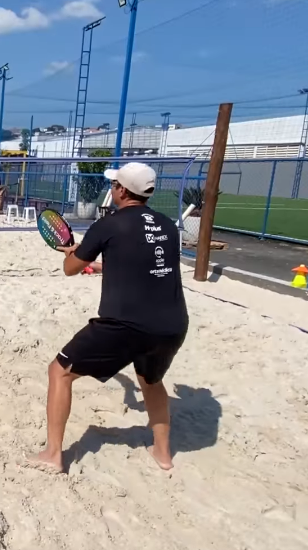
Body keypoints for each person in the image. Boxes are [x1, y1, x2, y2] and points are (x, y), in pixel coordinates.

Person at [25, 162, 188, 473]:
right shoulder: (167, 226)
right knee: (151, 381)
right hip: (172, 325)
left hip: (125, 325)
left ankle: (53, 454)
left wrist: (73, 253)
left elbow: (70, 269)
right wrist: (99, 263)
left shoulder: (109, 224)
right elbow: (146, 264)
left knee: (59, 371)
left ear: (123, 190)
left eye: (114, 185)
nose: (112, 189)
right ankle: (163, 454)